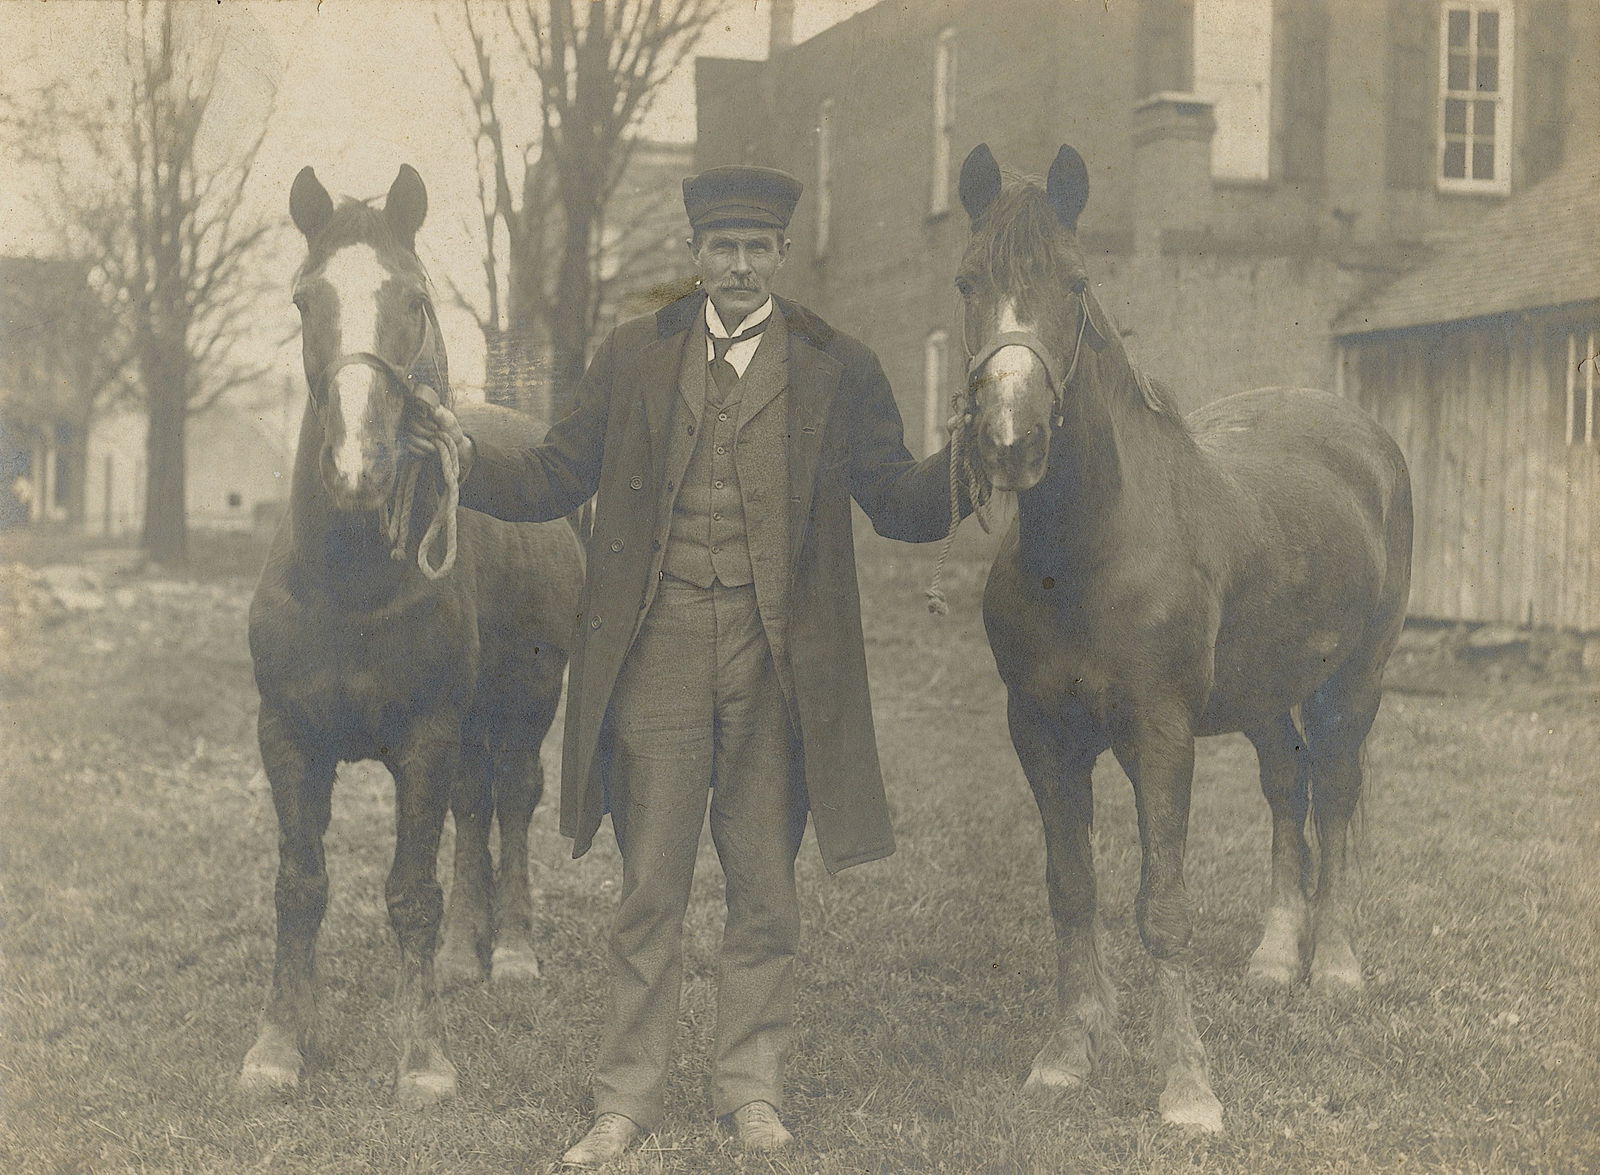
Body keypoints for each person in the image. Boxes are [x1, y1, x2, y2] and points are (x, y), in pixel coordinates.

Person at [409, 165, 966, 1167]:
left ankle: (749, 1089)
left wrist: (973, 458)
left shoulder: (839, 364)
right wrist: (462, 451)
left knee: (765, 888)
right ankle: (624, 1101)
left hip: (775, 666)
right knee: (648, 889)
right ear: (695, 256)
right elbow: (550, 475)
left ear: (782, 257)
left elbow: (900, 501)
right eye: (723, 247)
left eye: (758, 248)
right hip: (653, 656)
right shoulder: (631, 356)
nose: (741, 266)